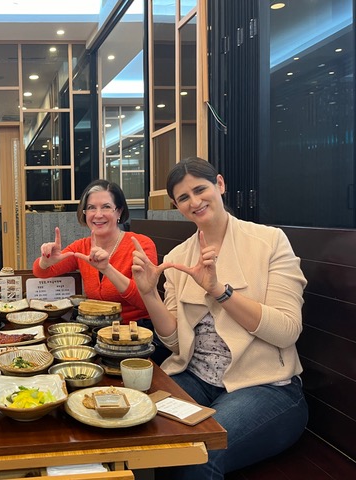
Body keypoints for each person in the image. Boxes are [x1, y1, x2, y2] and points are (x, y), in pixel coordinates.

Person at [131, 157, 308, 479]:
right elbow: (174, 342)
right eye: (184, 198)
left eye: (201, 189)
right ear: (176, 206)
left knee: (198, 451)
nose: (195, 201)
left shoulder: (269, 241)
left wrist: (218, 290)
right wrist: (148, 293)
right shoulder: (178, 257)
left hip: (266, 386)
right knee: (138, 427)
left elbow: (286, 331)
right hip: (196, 378)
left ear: (221, 185)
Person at [32, 179, 170, 363]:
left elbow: (145, 301)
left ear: (119, 211)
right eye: (91, 208)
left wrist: (108, 269)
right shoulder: (82, 246)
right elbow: (41, 272)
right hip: (95, 332)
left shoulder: (140, 244)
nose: (98, 215)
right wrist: (46, 260)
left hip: (136, 335)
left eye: (106, 207)